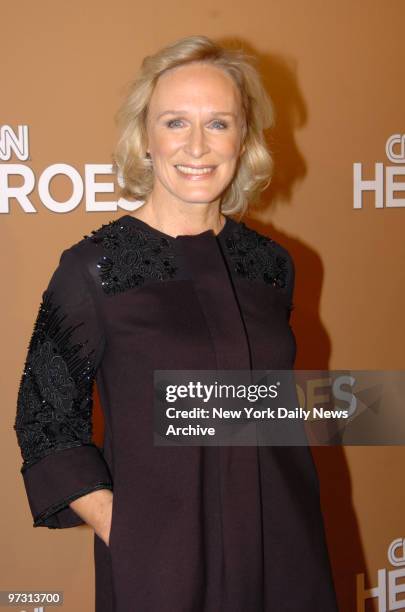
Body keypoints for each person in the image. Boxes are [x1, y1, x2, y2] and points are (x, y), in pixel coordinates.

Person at [14, 35, 338, 611]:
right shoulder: (95, 269)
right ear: (144, 138)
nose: (196, 145)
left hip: (286, 553)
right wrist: (132, 533)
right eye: (174, 122)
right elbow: (45, 424)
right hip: (166, 571)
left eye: (218, 123)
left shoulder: (271, 266)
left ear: (245, 139)